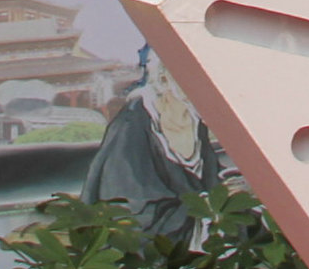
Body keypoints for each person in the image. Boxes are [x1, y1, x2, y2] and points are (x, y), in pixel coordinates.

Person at [84, 44, 230, 242]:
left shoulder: (194, 120)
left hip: (197, 224)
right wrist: (201, 210)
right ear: (163, 79)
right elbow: (131, 203)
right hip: (150, 236)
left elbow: (210, 181)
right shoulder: (133, 121)